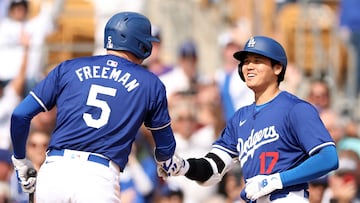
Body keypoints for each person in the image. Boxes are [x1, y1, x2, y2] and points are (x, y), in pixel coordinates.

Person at [10, 11, 177, 203]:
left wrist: (21, 161)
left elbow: (20, 115)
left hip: (54, 170)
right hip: (98, 178)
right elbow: (165, 149)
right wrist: (170, 162)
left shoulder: (68, 67)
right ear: (141, 44)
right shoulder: (150, 83)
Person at [157, 36, 339, 203]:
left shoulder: (296, 109)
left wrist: (277, 180)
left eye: (257, 61)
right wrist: (184, 166)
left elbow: (328, 157)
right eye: (246, 62)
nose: (249, 66)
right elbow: (213, 168)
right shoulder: (240, 118)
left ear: (277, 68)